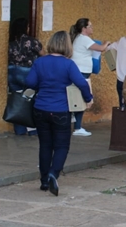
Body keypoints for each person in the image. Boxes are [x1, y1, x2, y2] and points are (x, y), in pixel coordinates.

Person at [25, 31, 93, 196]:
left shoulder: (40, 62)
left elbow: (30, 82)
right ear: (67, 46)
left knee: (45, 145)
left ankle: (43, 181)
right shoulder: (68, 64)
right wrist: (88, 98)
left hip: (40, 109)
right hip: (61, 110)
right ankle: (53, 174)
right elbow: (82, 83)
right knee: (62, 145)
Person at [70, 18, 110, 137]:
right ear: (84, 29)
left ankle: (75, 121)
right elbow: (101, 48)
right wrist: (107, 43)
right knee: (83, 99)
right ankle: (77, 127)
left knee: (77, 98)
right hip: (82, 72)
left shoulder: (78, 38)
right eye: (90, 26)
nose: (92, 28)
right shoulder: (84, 39)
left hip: (79, 71)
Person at [8, 18, 44, 136]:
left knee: (17, 100)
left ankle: (19, 129)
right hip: (26, 73)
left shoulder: (11, 42)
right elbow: (43, 54)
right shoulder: (31, 41)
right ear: (26, 28)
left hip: (12, 72)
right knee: (30, 99)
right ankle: (32, 129)